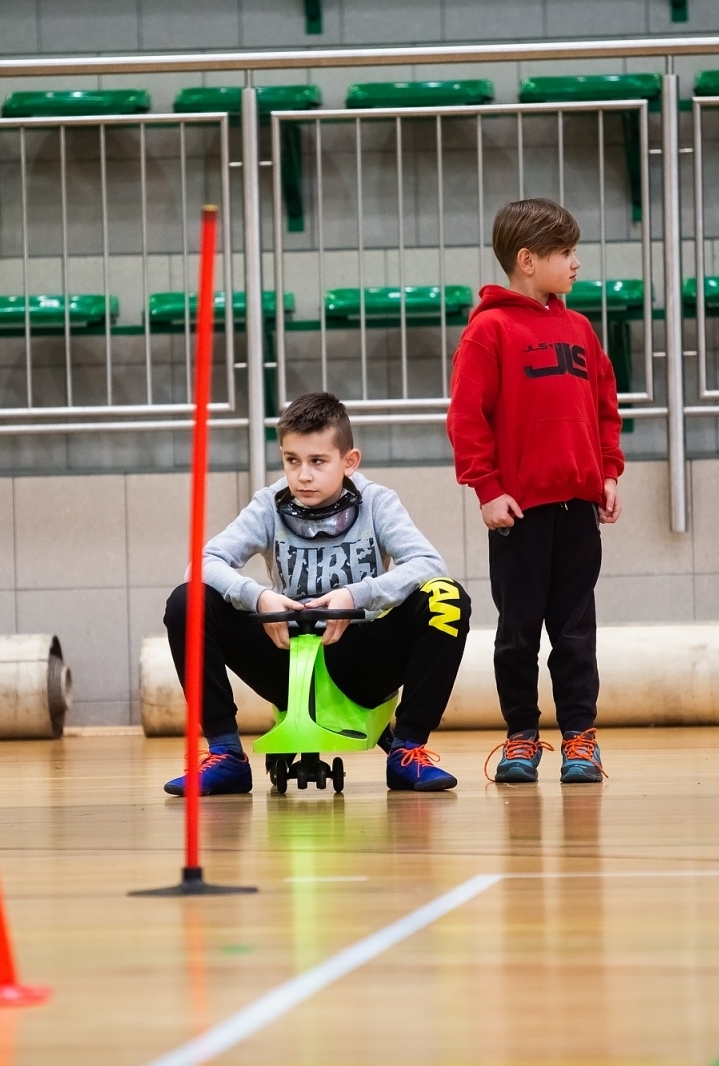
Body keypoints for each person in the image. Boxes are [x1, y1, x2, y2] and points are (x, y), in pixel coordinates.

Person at [163, 391, 472, 795]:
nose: (303, 475)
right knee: (187, 600)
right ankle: (226, 754)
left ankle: (408, 750)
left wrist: (356, 595)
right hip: (285, 654)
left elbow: (430, 565)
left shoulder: (378, 502)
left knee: (446, 597)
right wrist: (258, 597)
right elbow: (201, 564)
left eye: (317, 462)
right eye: (292, 461)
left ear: (350, 461)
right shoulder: (268, 505)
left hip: (357, 659)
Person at [447, 198, 625, 785]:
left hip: (578, 510)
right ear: (528, 260)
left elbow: (603, 405)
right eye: (565, 253)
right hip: (519, 513)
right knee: (518, 633)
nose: (576, 263)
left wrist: (608, 471)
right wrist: (487, 490)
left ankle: (580, 738)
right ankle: (521, 736)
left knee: (576, 633)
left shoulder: (579, 328)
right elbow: (467, 418)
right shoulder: (488, 330)